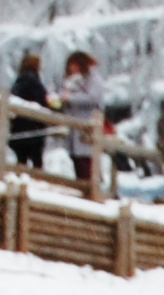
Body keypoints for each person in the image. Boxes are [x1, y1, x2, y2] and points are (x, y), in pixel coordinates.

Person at [59, 52, 105, 191]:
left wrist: (71, 98)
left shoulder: (94, 80)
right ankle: (83, 188)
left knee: (87, 161)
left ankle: (92, 190)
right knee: (77, 161)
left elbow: (92, 98)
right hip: (75, 128)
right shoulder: (74, 81)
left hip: (88, 127)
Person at [7, 50, 51, 171]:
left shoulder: (19, 81)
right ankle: (37, 180)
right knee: (37, 162)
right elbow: (42, 100)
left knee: (21, 160)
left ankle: (20, 177)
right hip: (33, 128)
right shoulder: (34, 82)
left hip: (19, 128)